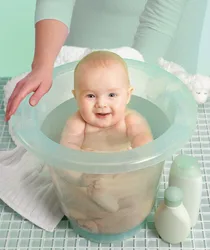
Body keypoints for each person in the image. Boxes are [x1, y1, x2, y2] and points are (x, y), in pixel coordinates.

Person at [5, 0, 187, 121]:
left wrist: (142, 76)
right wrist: (43, 64)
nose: (101, 104)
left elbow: (159, 19)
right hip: (81, 47)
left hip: (153, 49)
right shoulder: (76, 122)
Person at [54, 50, 155, 233]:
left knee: (137, 190)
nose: (101, 103)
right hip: (89, 174)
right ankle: (93, 216)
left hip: (122, 169)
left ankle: (109, 216)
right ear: (76, 96)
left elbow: (143, 139)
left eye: (112, 95)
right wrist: (81, 177)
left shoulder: (131, 119)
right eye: (90, 96)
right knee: (74, 192)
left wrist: (137, 155)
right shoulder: (77, 123)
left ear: (128, 95)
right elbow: (67, 150)